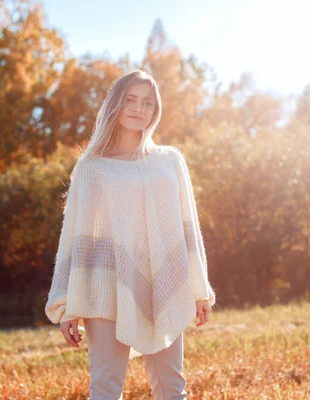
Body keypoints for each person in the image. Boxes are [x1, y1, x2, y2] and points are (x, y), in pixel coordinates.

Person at [45, 69, 216, 400]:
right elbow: (76, 239)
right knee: (106, 388)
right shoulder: (92, 168)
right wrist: (66, 304)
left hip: (164, 282)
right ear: (115, 105)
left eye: (148, 103)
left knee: (171, 387)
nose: (140, 109)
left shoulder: (170, 161)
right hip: (106, 288)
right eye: (131, 100)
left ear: (156, 110)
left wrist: (198, 288)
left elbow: (187, 227)